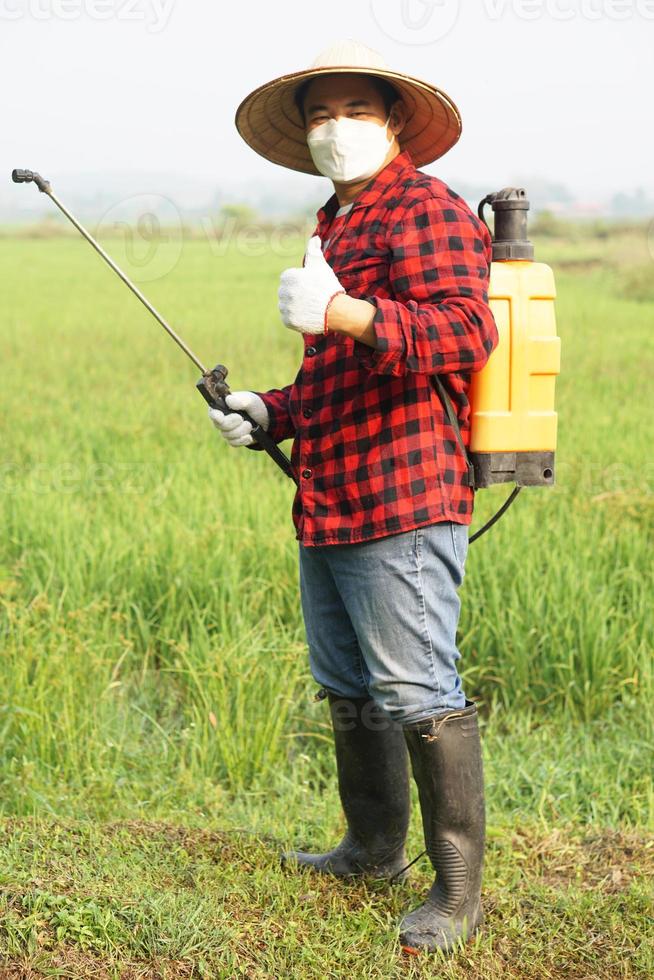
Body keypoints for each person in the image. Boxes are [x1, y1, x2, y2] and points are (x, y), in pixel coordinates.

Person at [209, 39, 499, 955]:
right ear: (305, 134)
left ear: (393, 123)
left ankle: (458, 895)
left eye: (355, 111)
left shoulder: (426, 208)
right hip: (333, 494)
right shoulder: (333, 222)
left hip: (405, 498)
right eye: (320, 114)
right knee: (350, 685)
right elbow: (336, 378)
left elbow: (465, 329)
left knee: (418, 691)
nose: (337, 128)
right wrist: (271, 412)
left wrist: (345, 312)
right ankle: (373, 852)